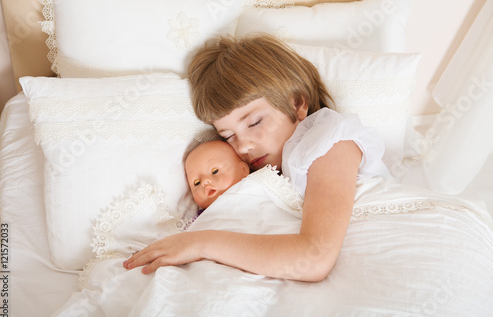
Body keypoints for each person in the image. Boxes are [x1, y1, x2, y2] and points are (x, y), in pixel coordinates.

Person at [124, 34, 390, 282]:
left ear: (298, 103)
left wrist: (199, 243)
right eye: (228, 136)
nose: (244, 146)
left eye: (254, 122)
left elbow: (314, 257)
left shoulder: (329, 143)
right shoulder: (265, 174)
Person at [185, 139, 250, 210]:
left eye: (215, 171)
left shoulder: (256, 190)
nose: (204, 181)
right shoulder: (201, 218)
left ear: (243, 169)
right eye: (197, 183)